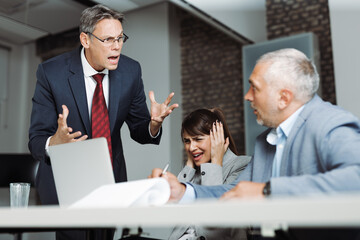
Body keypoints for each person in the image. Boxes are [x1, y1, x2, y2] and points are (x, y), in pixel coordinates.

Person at [28, 4, 177, 240]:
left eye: (120, 38)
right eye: (107, 39)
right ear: (85, 40)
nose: (116, 46)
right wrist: (55, 143)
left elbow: (139, 129)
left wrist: (154, 124)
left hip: (111, 181)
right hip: (69, 184)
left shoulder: (130, 71)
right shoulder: (51, 73)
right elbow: (36, 140)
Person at [151, 48, 360, 204]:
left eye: (255, 88)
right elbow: (236, 190)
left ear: (283, 98)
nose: (247, 96)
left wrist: (267, 191)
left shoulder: (330, 123)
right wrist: (183, 191)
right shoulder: (264, 142)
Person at [168, 108, 251, 240]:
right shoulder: (193, 171)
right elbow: (174, 210)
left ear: (217, 139)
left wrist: (216, 161)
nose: (191, 147)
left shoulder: (242, 166)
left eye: (198, 139)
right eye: (187, 141)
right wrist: (189, 164)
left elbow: (215, 217)